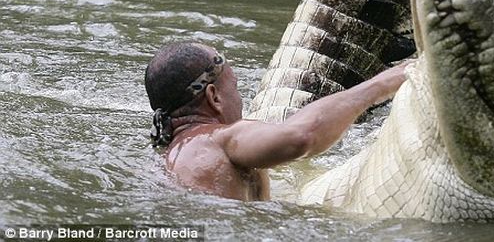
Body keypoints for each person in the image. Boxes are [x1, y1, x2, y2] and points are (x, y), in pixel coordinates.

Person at [145, 41, 406, 201]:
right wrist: (382, 84)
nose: (239, 97)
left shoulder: (171, 156)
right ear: (214, 97)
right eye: (234, 87)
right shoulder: (219, 139)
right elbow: (302, 137)